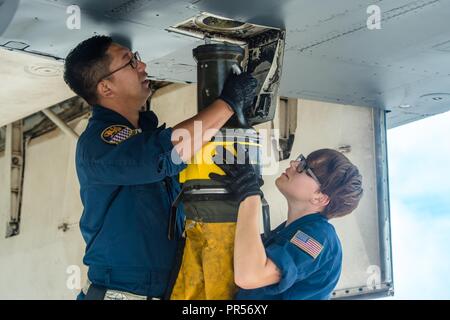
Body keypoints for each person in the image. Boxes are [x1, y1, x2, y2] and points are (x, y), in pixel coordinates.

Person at [63, 35, 257, 300]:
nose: (142, 66)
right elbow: (166, 153)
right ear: (106, 87)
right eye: (130, 62)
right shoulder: (101, 143)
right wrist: (228, 103)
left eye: (137, 57)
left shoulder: (140, 135)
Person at [209, 146, 363, 299]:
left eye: (304, 167)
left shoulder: (320, 237)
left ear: (320, 197)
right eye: (301, 160)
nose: (293, 163)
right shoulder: (288, 231)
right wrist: (242, 192)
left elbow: (250, 276)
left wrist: (249, 196)